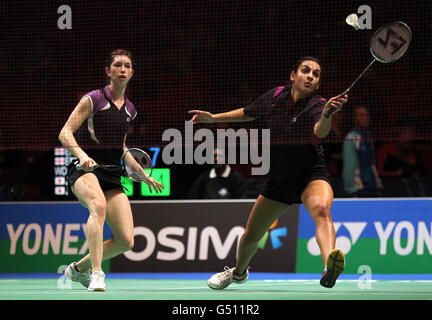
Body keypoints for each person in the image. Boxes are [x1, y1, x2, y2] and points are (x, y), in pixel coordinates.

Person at [189, 56, 348, 289]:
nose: (311, 76)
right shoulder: (276, 96)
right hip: (280, 178)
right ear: (293, 76)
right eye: (306, 71)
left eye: (316, 74)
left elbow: (320, 132)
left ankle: (328, 269)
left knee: (322, 210)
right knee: (252, 234)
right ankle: (238, 272)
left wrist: (327, 115)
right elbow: (248, 112)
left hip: (310, 174)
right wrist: (214, 119)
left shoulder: (318, 105)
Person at [59, 49, 164, 291]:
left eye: (127, 66)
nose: (123, 69)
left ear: (132, 72)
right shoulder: (93, 99)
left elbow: (122, 147)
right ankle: (97, 272)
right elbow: (65, 132)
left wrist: (142, 174)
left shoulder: (131, 110)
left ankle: (77, 269)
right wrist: (83, 157)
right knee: (98, 206)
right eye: (118, 65)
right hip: (84, 168)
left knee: (126, 241)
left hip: (111, 172)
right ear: (108, 71)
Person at [342, 105, 383, 197]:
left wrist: (378, 185)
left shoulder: (368, 136)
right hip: (359, 190)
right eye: (361, 115)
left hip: (372, 188)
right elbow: (349, 166)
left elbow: (372, 163)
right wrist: (351, 189)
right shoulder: (351, 138)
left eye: (366, 115)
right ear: (354, 119)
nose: (365, 118)